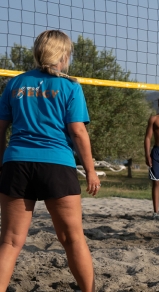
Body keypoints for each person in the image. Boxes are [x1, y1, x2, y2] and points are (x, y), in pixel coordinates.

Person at [0, 30, 100, 292]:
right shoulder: (70, 86)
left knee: (10, 243)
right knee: (73, 239)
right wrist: (91, 171)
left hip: (17, 163)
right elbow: (78, 132)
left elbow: (0, 130)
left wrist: (3, 165)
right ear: (64, 55)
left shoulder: (14, 83)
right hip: (57, 165)